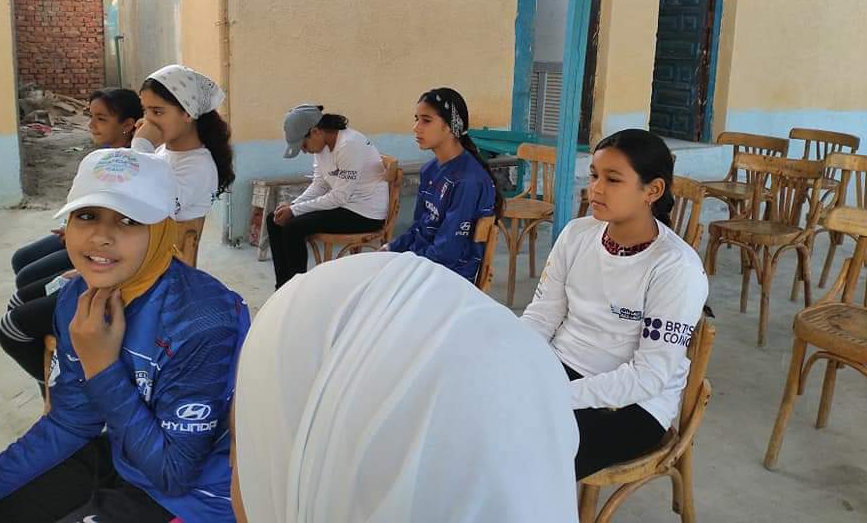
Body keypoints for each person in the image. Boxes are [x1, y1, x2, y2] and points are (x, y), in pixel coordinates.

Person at [0, 148, 250, 523]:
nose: (100, 236)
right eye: (87, 216)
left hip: (196, 498)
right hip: (126, 457)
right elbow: (70, 423)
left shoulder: (203, 321)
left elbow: (173, 474)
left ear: (162, 230)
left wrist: (101, 367)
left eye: (129, 220)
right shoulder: (78, 297)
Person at [230, 252, 579, 523]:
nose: (235, 473)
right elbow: (540, 316)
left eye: (240, 448)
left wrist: (570, 390)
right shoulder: (573, 241)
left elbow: (448, 244)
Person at [521, 129, 708, 480]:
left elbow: (648, 377)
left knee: (530, 461)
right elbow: (543, 315)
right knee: (478, 416)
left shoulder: (676, 268)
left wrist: (556, 395)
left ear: (652, 190)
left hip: (633, 403)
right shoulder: (576, 234)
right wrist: (513, 356)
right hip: (562, 368)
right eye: (594, 175)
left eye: (613, 179)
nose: (596, 188)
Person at [0, 88, 144, 381]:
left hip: (96, 251)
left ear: (128, 124)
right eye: (91, 116)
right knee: (22, 261)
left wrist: (79, 242)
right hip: (80, 239)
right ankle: (53, 375)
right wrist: (72, 225)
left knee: (24, 292)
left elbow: (114, 222)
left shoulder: (135, 165)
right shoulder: (104, 157)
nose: (91, 125)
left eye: (101, 119)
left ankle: (57, 383)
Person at [266, 104, 388, 289]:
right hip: (344, 206)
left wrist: (295, 210)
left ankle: (297, 290)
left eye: (303, 145)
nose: (304, 150)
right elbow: (319, 184)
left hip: (365, 213)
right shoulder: (321, 146)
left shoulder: (349, 145)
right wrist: (292, 206)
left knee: (293, 227)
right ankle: (283, 287)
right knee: (274, 219)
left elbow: (339, 196)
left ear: (315, 132)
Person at [387, 88, 502, 282]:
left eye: (426, 120)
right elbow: (419, 227)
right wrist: (392, 248)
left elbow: (447, 251)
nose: (416, 127)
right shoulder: (429, 170)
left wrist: (404, 265)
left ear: (450, 126)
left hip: (448, 279)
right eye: (416, 119)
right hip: (423, 264)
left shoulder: (468, 181)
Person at [132, 63, 234, 222]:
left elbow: (157, 205)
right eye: (145, 111)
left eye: (157, 112)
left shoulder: (198, 165)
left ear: (188, 114)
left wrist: (141, 146)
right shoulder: (160, 151)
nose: (148, 120)